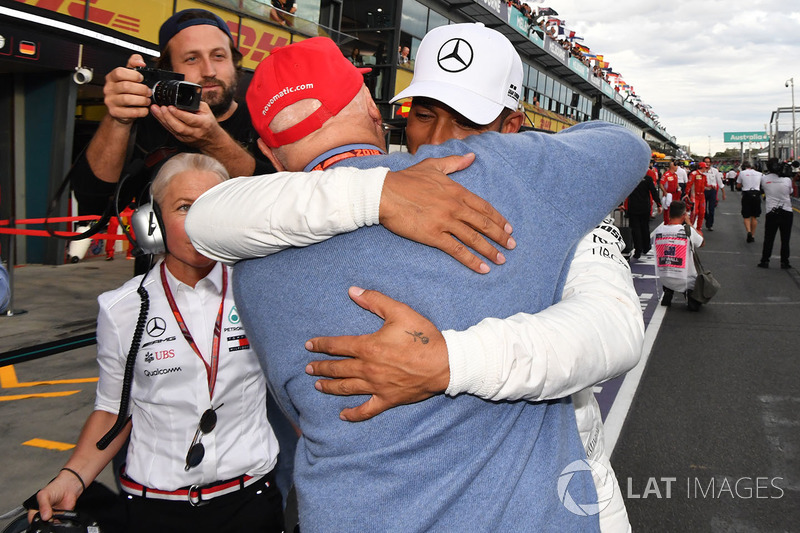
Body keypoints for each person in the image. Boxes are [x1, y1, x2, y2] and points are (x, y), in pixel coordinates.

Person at [189, 23, 645, 532]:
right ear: (374, 111)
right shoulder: (524, 179)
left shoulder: (252, 251)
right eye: (424, 115)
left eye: (470, 122)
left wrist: (446, 362)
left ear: (515, 126)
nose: (440, 141)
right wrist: (376, 193)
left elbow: (614, 328)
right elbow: (621, 145)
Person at [30, 154, 283, 532]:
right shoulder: (122, 308)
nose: (200, 221)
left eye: (212, 206)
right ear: (154, 222)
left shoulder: (261, 292)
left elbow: (297, 389)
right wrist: (72, 476)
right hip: (156, 510)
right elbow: (112, 411)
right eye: (184, 207)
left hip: (250, 502)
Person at [68, 8, 274, 272]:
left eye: (218, 56)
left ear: (234, 63)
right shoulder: (150, 122)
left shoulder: (266, 122)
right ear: (167, 70)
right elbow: (93, 200)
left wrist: (212, 140)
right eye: (191, 59)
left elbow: (277, 199)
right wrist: (118, 119)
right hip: (157, 287)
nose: (209, 70)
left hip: (249, 288)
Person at [654, 200, 705, 312]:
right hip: (686, 280)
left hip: (665, 277)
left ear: (668, 214)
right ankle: (690, 295)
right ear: (684, 215)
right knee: (696, 303)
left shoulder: (658, 231)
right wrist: (689, 224)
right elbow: (702, 242)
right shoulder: (687, 230)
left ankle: (668, 290)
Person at [758, 158, 794, 269]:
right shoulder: (787, 180)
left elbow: (763, 189)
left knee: (769, 238)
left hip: (771, 211)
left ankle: (765, 260)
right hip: (786, 211)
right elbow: (790, 192)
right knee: (785, 239)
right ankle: (785, 262)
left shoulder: (764, 179)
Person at [626, 173, 661, 259]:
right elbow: (653, 191)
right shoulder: (647, 178)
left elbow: (623, 192)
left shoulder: (630, 178)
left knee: (635, 229)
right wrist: (659, 204)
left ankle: (638, 250)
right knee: (645, 227)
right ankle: (646, 247)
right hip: (645, 207)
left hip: (633, 207)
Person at [736, 161, 763, 243]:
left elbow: (738, 185)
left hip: (747, 194)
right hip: (756, 194)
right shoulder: (759, 174)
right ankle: (753, 234)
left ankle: (748, 231)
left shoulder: (742, 173)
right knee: (754, 216)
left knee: (746, 216)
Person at [702, 156, 726, 231]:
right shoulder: (701, 171)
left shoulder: (715, 171)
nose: (707, 164)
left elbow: (720, 182)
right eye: (706, 162)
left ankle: (710, 224)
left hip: (712, 191)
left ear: (711, 163)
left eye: (708, 162)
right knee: (703, 210)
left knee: (711, 209)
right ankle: (707, 219)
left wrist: (723, 193)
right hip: (703, 191)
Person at [686, 162, 709, 231]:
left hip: (702, 196)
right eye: (705, 167)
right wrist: (687, 194)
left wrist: (710, 187)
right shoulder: (693, 174)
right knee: (694, 212)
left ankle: (699, 228)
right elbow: (689, 184)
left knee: (702, 213)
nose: (706, 169)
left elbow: (705, 186)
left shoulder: (704, 176)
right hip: (695, 196)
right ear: (701, 167)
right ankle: (691, 227)